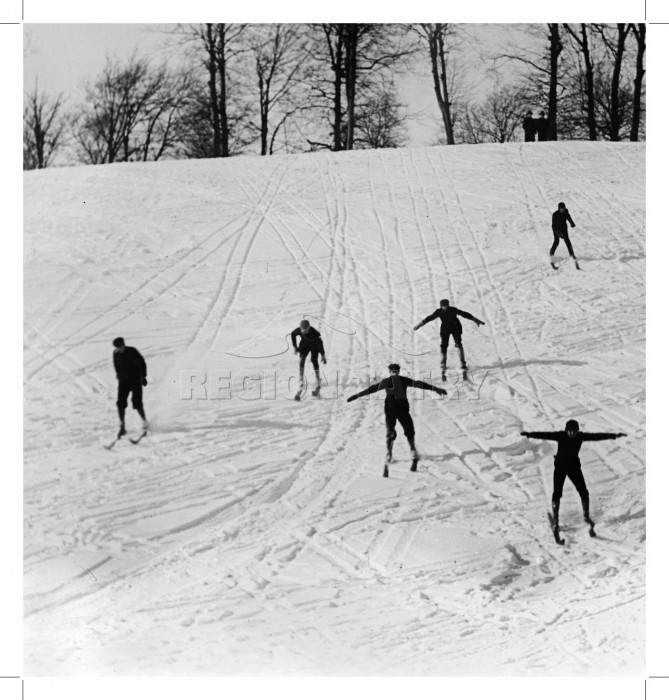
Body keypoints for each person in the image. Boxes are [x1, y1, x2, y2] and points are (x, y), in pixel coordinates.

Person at [521, 419, 626, 543]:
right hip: (560, 468)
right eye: (570, 431)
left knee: (583, 492)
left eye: (574, 431)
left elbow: (597, 436)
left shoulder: (580, 436)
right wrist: (530, 434)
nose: (572, 433)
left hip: (574, 468)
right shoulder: (561, 435)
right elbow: (545, 435)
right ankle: (556, 519)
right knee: (557, 493)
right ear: (566, 430)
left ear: (577, 431)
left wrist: (614, 436)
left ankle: (586, 516)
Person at [347, 363, 447, 477]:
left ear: (392, 372)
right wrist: (435, 389)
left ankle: (392, 453)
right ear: (396, 372)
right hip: (401, 410)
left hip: (392, 410)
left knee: (393, 432)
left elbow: (371, 389)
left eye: (394, 371)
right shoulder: (402, 380)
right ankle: (410, 450)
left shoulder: (386, 382)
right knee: (408, 430)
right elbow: (419, 384)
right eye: (394, 371)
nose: (394, 373)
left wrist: (356, 396)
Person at [414, 299, 485, 381]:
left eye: (446, 306)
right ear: (441, 306)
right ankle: (443, 363)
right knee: (444, 345)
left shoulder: (453, 309)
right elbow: (430, 318)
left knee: (458, 344)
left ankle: (463, 363)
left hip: (455, 327)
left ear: (448, 305)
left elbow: (464, 314)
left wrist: (475, 320)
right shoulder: (439, 311)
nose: (445, 308)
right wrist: (419, 324)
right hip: (445, 329)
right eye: (443, 306)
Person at [112, 337, 148, 436]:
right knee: (121, 403)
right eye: (117, 348)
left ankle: (144, 421)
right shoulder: (115, 353)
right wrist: (119, 374)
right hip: (123, 381)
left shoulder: (132, 351)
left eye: (120, 347)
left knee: (136, 402)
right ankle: (122, 426)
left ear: (124, 345)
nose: (119, 349)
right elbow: (116, 365)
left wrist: (143, 376)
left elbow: (141, 363)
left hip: (135, 380)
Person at [290, 319, 327, 399]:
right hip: (305, 344)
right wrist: (295, 346)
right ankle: (301, 379)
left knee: (314, 360)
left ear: (309, 328)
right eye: (302, 330)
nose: (303, 331)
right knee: (301, 360)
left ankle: (317, 378)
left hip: (314, 346)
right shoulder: (299, 330)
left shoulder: (314, 334)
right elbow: (293, 334)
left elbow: (320, 344)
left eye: (305, 330)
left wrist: (322, 354)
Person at [550, 201, 579, 269]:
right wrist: (558, 233)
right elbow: (554, 225)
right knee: (556, 241)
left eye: (563, 208)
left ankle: (572, 254)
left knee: (567, 241)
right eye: (561, 208)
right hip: (556, 229)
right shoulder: (555, 214)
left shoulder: (566, 212)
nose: (563, 209)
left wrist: (572, 223)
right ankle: (551, 254)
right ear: (559, 208)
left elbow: (568, 217)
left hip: (564, 228)